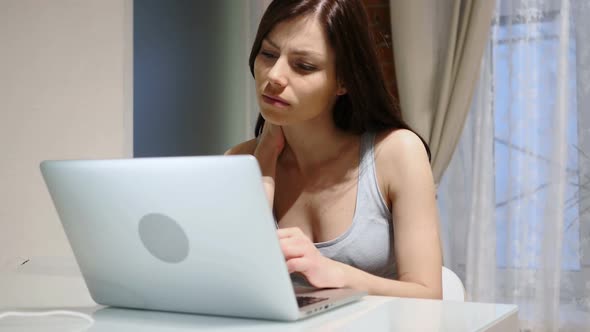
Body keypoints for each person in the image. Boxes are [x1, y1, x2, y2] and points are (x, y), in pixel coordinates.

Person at [225, 0, 442, 299]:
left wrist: (336, 273)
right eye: (268, 54)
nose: (274, 76)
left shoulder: (397, 153)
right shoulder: (239, 162)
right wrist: (263, 168)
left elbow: (428, 295)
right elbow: (234, 286)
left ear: (343, 80)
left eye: (304, 66)